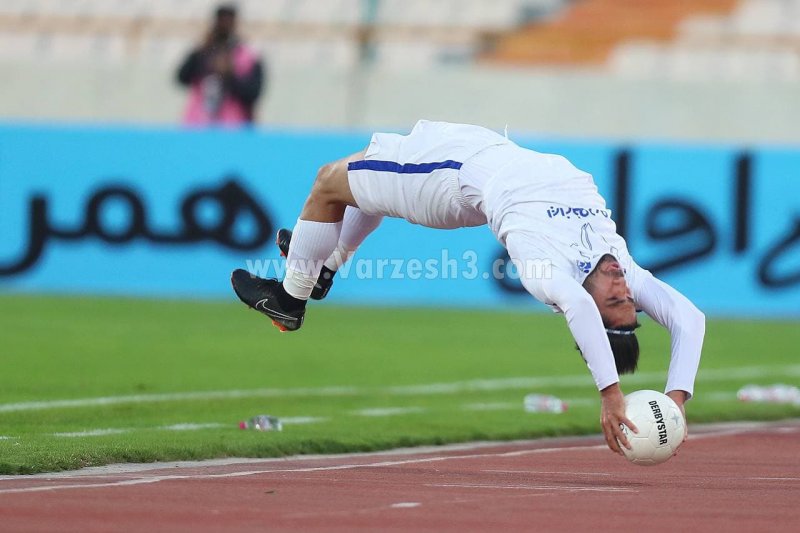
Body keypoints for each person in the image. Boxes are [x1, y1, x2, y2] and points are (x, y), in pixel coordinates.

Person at [230, 120, 706, 455]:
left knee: (328, 182)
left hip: (451, 176)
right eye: (631, 302)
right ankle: (324, 265)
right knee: (366, 176)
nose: (625, 288)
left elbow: (580, 306)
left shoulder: (544, 270)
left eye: (616, 300)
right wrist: (676, 403)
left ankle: (291, 298)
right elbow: (690, 319)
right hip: (481, 151)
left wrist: (611, 394)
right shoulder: (621, 264)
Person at [176, 4, 264, 126]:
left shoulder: (248, 57)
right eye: (221, 20)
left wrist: (229, 74)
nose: (224, 25)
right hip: (199, 123)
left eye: (228, 20)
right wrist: (201, 54)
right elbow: (181, 77)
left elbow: (253, 93)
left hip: (234, 125)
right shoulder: (202, 52)